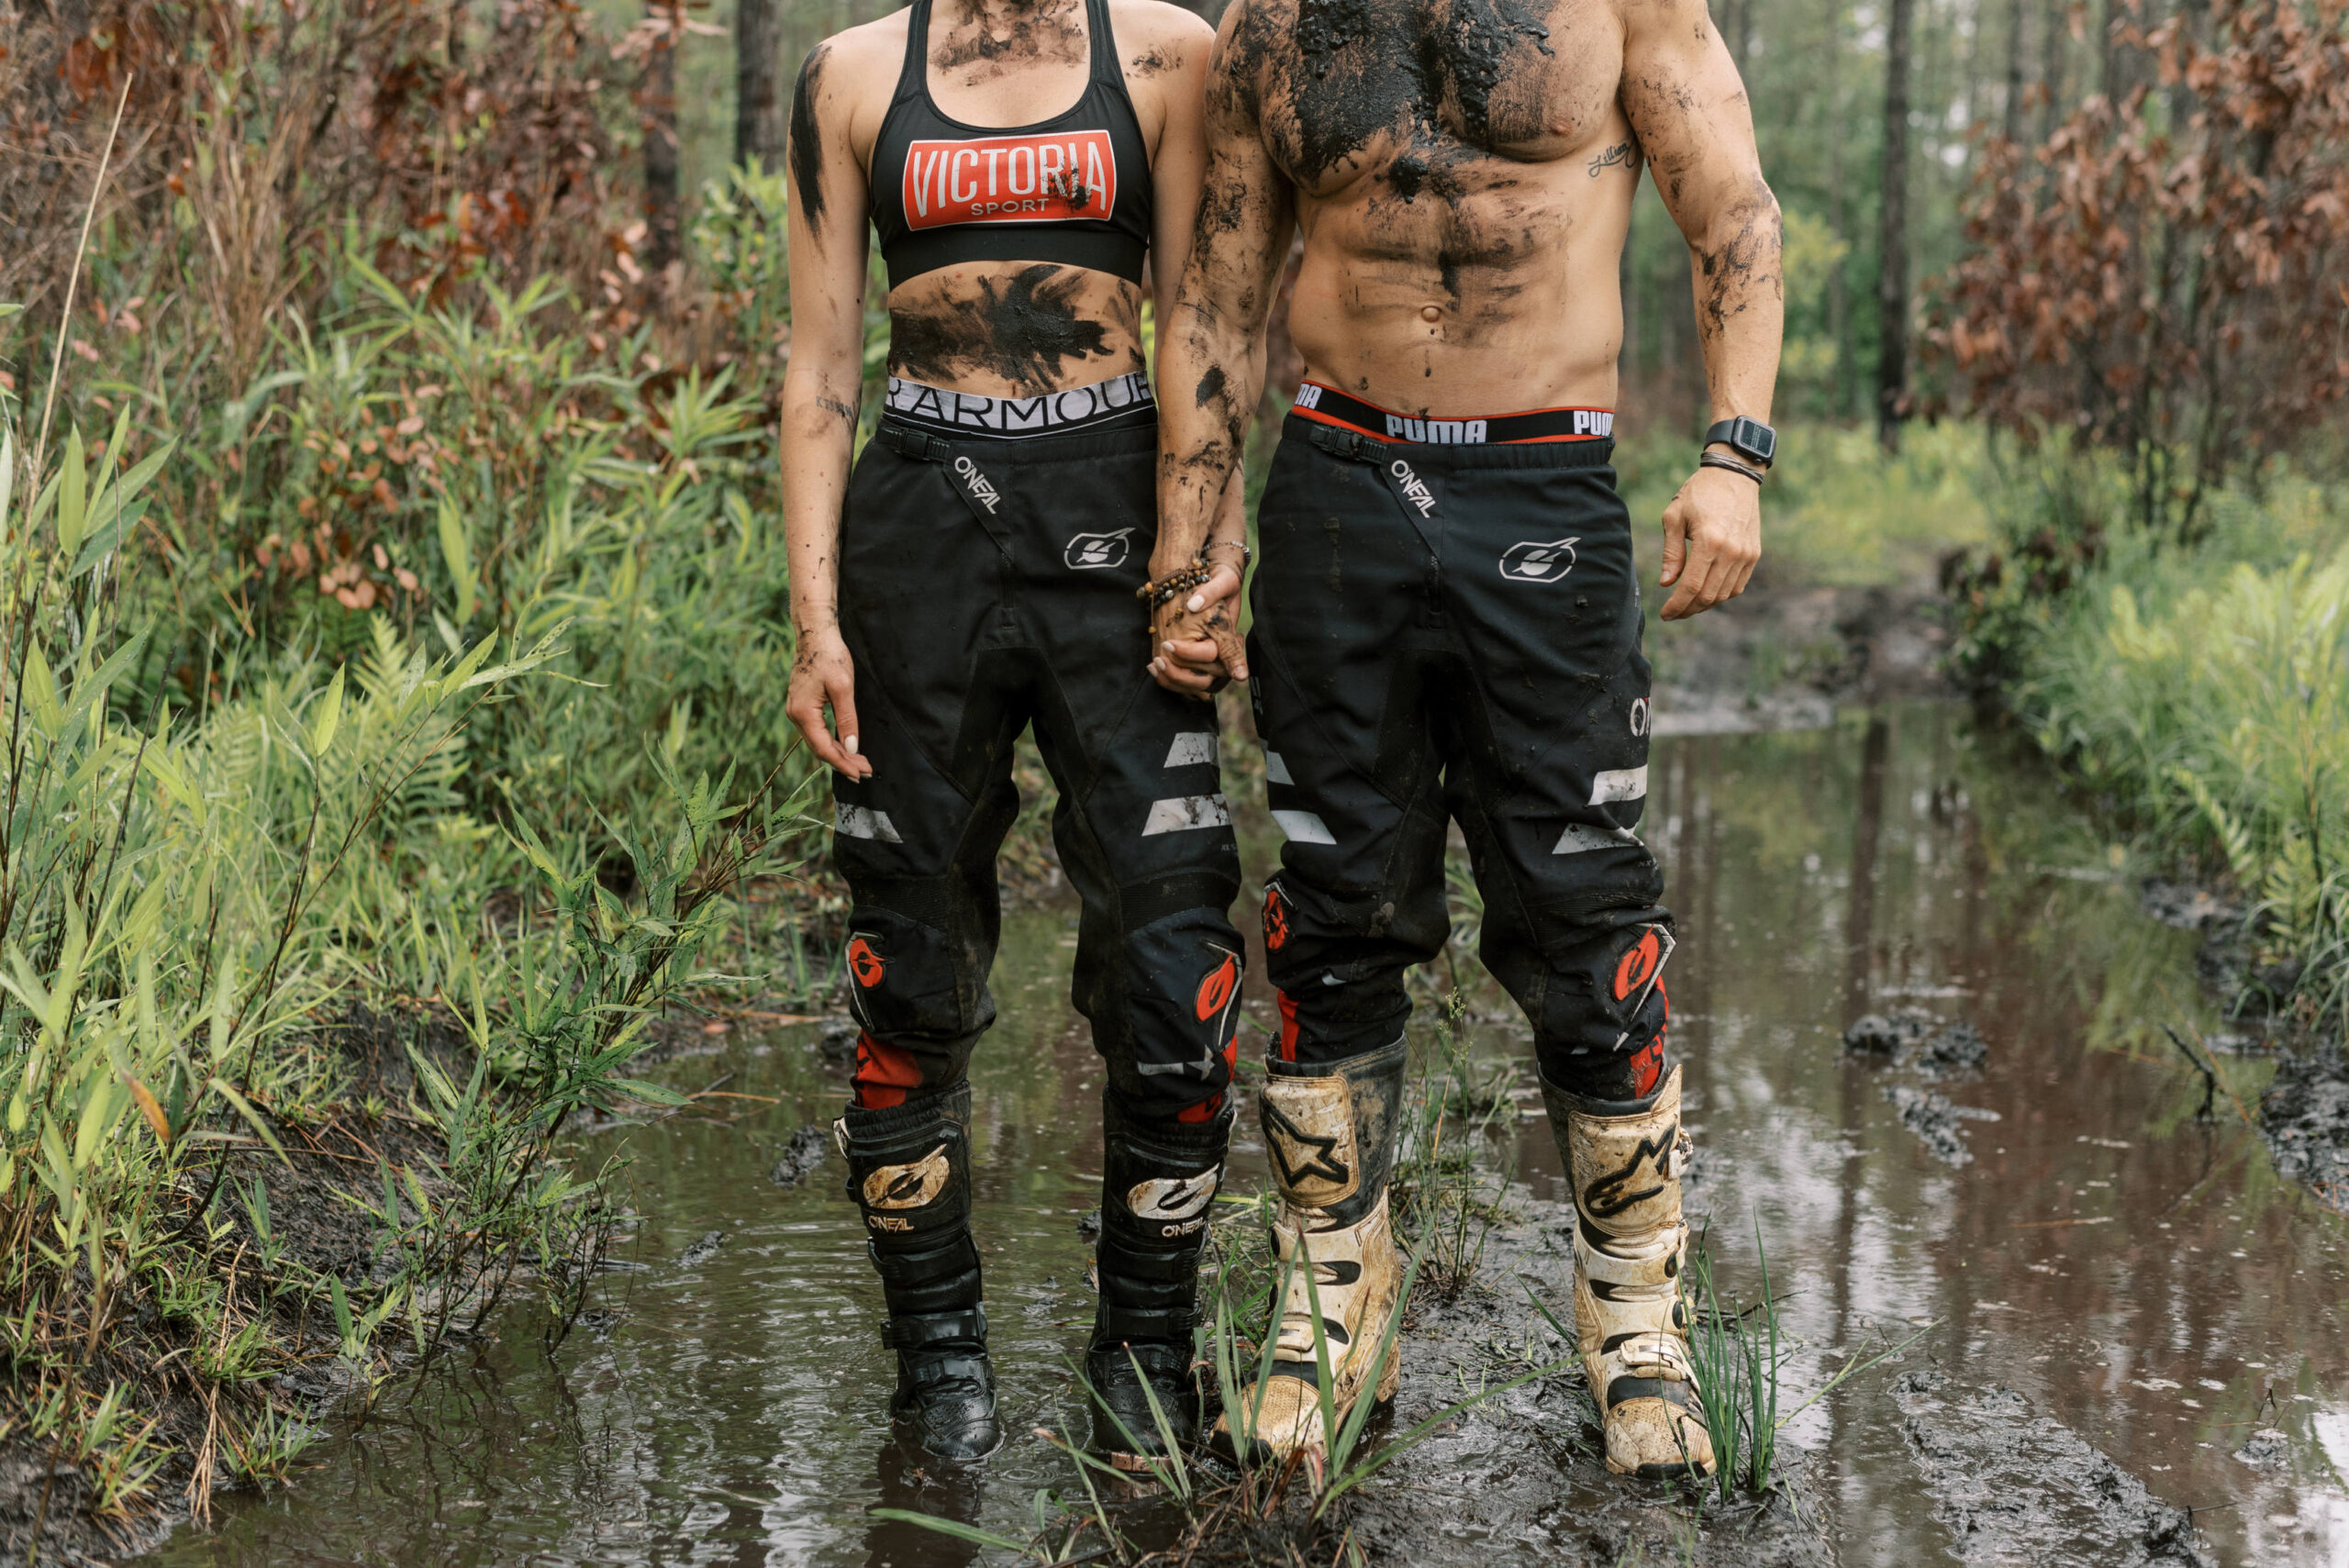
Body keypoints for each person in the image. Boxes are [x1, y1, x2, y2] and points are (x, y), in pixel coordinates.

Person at [1147, 0, 1784, 1477]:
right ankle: (1330, 1289)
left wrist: (1735, 453)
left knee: (1584, 901)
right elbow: (1222, 290)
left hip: (1544, 481)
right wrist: (1195, 531)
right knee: (1331, 897)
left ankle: (1637, 1318)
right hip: (1336, 477)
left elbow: (1733, 213)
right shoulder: (1275, 25)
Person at [780, 0, 1255, 1465]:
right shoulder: (852, 74)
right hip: (918, 515)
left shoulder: (1169, 54)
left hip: (1116, 504)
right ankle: (938, 1366)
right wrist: (815, 624)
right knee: (907, 953)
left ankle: (1144, 1354)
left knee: (1179, 960)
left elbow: (1209, 321)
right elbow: (818, 367)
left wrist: (1206, 546)